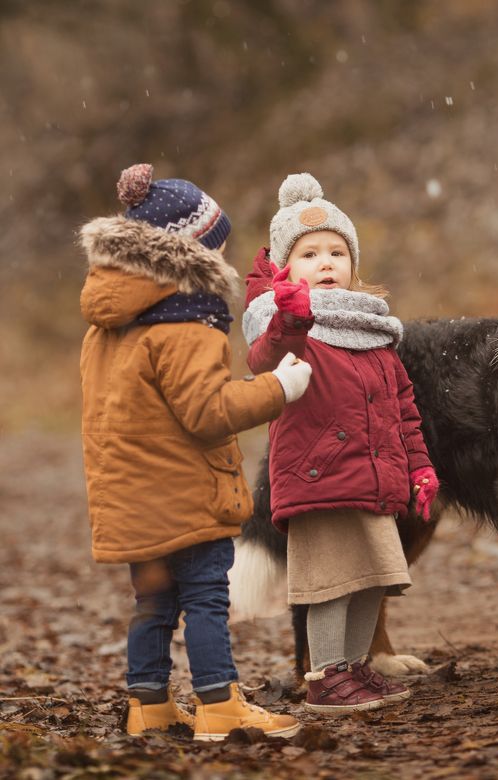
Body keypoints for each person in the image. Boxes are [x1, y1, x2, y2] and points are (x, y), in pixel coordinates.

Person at [79, 164, 312, 740]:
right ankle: (218, 703)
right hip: (187, 494)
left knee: (153, 603)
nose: (226, 259)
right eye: (219, 247)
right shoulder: (188, 325)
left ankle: (148, 704)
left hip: (134, 497)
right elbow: (207, 413)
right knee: (208, 597)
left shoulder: (108, 324)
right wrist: (279, 387)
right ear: (191, 255)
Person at [242, 172, 438, 714]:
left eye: (336, 252)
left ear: (354, 264)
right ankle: (325, 676)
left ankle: (354, 667)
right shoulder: (288, 328)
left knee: (371, 579)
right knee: (331, 583)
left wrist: (419, 470)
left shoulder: (374, 333)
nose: (325, 262)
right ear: (285, 267)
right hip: (320, 481)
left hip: (374, 482)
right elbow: (264, 358)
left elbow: (405, 413)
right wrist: (288, 316)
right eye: (308, 254)